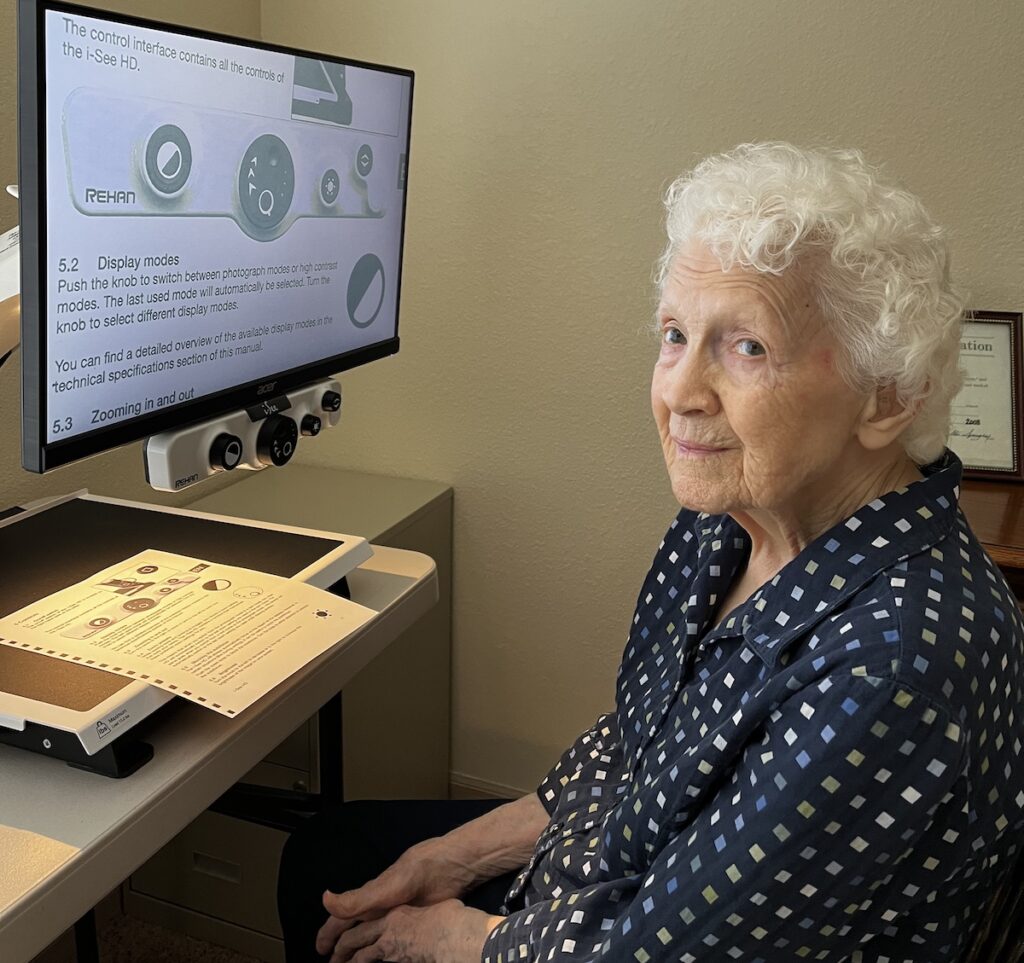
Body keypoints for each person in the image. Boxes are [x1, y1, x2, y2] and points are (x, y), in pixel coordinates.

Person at [277, 142, 1024, 962]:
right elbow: (641, 742)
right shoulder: (729, 518)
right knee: (324, 856)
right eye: (675, 333)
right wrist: (450, 857)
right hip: (612, 879)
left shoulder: (895, 662)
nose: (678, 391)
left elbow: (665, 948)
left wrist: (456, 937)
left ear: (888, 398)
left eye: (747, 347)